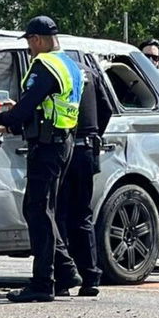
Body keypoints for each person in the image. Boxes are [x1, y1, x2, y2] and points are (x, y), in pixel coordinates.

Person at [0, 15, 81, 302]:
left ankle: (42, 283)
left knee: (37, 211)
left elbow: (25, 111)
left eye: (30, 43)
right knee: (44, 210)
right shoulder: (70, 64)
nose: (30, 49)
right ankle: (66, 271)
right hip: (63, 142)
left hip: (47, 147)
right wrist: (15, 113)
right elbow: (42, 106)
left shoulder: (44, 65)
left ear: (36, 39)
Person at [55, 55, 113, 297]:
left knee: (59, 214)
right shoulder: (89, 71)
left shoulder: (54, 70)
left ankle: (64, 279)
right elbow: (107, 108)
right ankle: (90, 277)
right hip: (88, 148)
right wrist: (93, 132)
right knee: (83, 215)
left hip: (65, 147)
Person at [137, 38, 159, 275]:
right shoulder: (129, 80)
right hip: (135, 147)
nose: (150, 61)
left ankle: (150, 255)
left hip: (156, 150)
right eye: (145, 56)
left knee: (153, 204)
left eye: (154, 57)